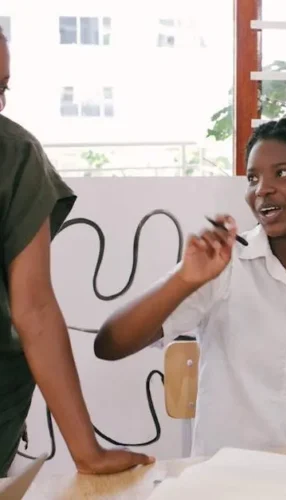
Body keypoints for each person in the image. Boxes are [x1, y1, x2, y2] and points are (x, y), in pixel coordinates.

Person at [94, 117, 286, 478]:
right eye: (253, 178)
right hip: (225, 475)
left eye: (283, 173)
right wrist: (184, 279)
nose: (263, 189)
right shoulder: (224, 265)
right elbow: (110, 344)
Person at [0, 27, 152, 476]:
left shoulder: (15, 156)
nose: (0, 104)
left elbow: (35, 309)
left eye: (3, 87)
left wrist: (87, 453)